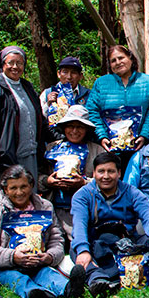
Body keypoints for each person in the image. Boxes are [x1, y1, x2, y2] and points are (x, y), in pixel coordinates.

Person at [71, 152, 149, 298]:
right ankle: (98, 281)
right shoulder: (82, 195)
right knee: (77, 248)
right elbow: (79, 224)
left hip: (128, 241)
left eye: (111, 171)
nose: (106, 176)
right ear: (94, 173)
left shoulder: (131, 192)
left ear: (119, 173)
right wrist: (83, 250)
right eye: (101, 171)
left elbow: (148, 215)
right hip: (98, 243)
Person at [0, 166, 85, 298]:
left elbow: (56, 239)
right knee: (17, 279)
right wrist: (13, 257)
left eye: (23, 186)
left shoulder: (45, 207)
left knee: (47, 274)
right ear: (5, 190)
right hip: (5, 266)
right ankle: (38, 295)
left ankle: (69, 289)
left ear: (31, 186)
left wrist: (49, 257)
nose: (19, 192)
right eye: (13, 188)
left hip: (38, 263)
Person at [0, 45, 51, 207]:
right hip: (2, 156)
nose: (15, 67)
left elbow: (39, 119)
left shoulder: (27, 87)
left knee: (25, 198)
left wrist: (57, 134)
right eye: (11, 62)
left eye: (20, 63)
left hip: (28, 154)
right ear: (3, 64)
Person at [40, 105, 106, 246]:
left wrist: (84, 183)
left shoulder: (97, 151)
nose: (74, 131)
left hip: (82, 209)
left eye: (80, 127)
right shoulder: (52, 148)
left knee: (80, 243)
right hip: (54, 207)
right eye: (70, 126)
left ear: (87, 129)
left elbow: (108, 183)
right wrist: (48, 181)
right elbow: (37, 177)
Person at [84, 45, 149, 159]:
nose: (118, 62)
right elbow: (91, 111)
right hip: (110, 146)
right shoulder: (101, 83)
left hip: (140, 145)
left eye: (121, 58)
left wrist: (144, 135)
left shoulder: (147, 81)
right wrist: (102, 136)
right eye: (113, 61)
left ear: (130, 58)